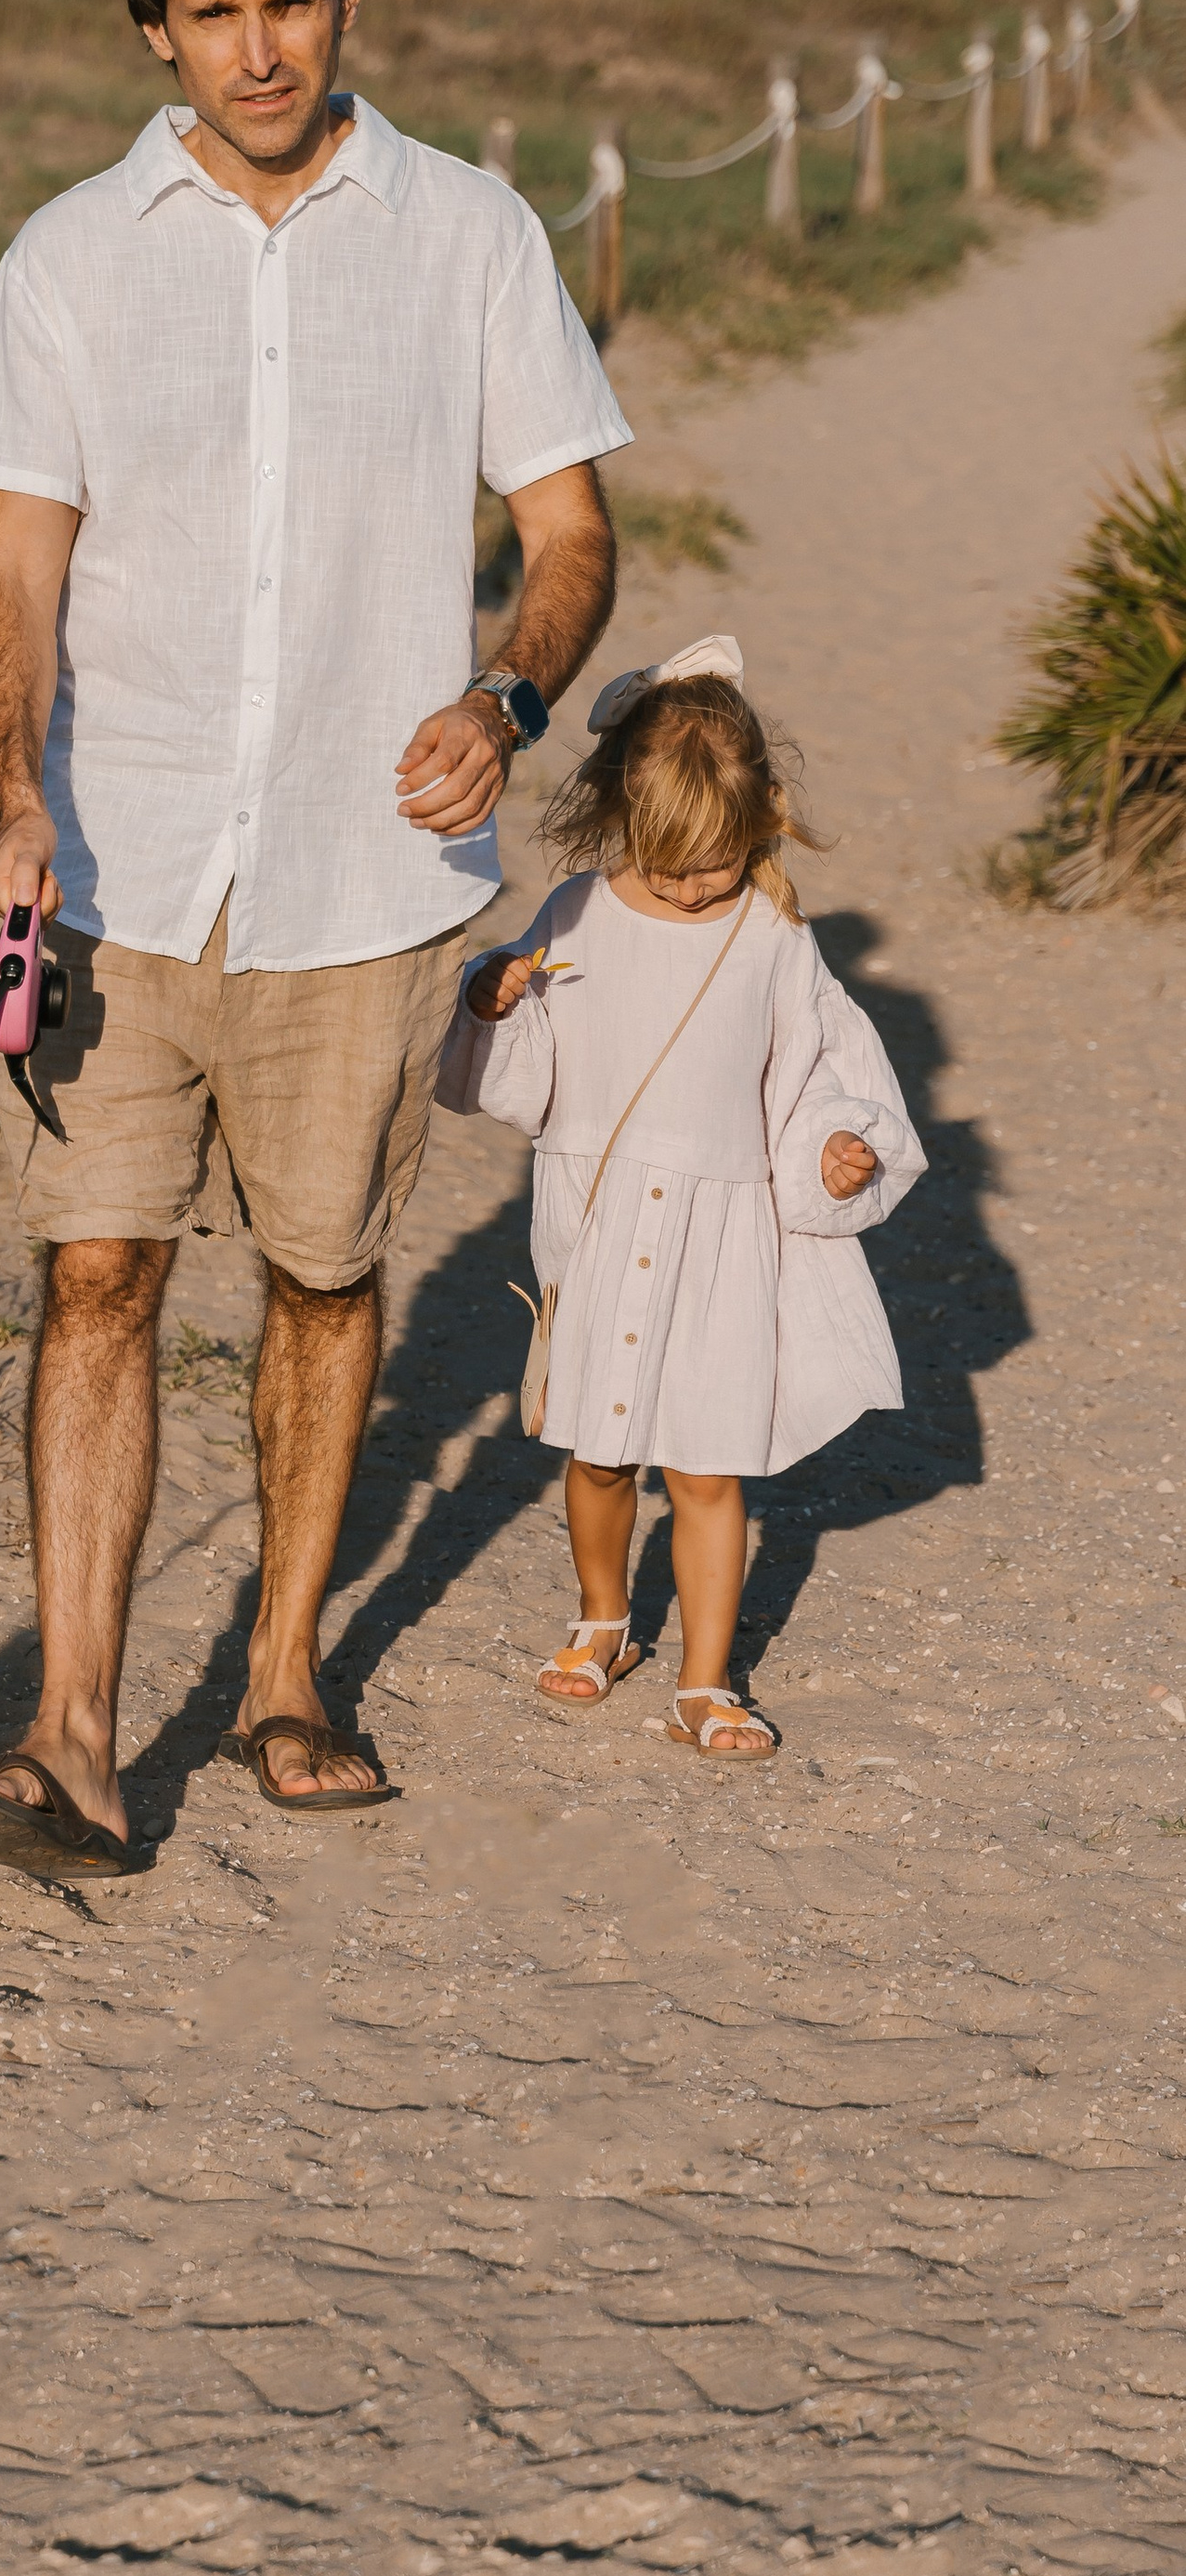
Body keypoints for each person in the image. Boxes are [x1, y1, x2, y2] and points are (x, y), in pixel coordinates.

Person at [0, 0, 631, 1881]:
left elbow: (569, 532)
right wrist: (17, 800)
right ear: (155, 29)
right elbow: (10, 560)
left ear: (342, 0)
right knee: (98, 1276)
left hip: (359, 881)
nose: (254, 48)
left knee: (322, 1278)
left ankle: (288, 1674)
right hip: (113, 875)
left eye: (284, 0)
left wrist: (508, 698)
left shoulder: (470, 235)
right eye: (208, 11)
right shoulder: (66, 256)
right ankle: (65, 1737)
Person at [437, 637, 924, 1759]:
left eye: (716, 861)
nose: (697, 884)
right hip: (598, 1222)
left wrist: (837, 1151)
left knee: (710, 1466)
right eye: (671, 866)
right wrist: (492, 997)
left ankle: (706, 1681)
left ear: (758, 821)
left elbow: (811, 1082)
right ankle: (602, 1617)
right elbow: (515, 1075)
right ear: (622, 822)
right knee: (600, 1451)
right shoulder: (573, 914)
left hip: (724, 1237)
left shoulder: (773, 942)